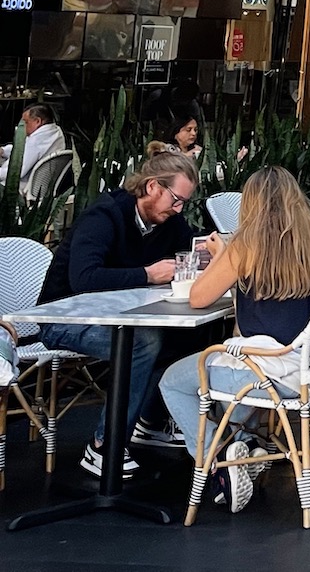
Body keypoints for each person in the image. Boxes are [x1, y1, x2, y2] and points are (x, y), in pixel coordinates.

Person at [157, 165, 310, 514]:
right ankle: (246, 445)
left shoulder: (247, 246)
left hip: (265, 376)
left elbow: (198, 297)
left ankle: (219, 460)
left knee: (173, 382)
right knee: (231, 366)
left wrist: (223, 254)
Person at [36, 149, 199, 475]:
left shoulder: (169, 220)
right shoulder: (104, 216)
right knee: (143, 342)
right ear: (153, 187)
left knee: (189, 335)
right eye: (176, 199)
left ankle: (150, 422)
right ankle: (104, 445)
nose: (179, 209)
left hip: (124, 314)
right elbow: (84, 278)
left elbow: (193, 245)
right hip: (64, 319)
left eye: (184, 203)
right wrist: (147, 274)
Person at [0, 102, 64, 183]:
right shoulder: (55, 132)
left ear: (37, 121)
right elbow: (23, 151)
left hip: (19, 186)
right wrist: (3, 151)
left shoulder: (37, 141)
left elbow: (16, 172)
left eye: (26, 122)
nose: (23, 126)